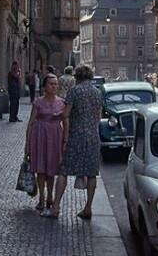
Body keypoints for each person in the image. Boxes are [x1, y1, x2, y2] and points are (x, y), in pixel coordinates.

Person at [48, 65, 103, 220]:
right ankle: (88, 208)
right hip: (93, 137)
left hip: (76, 136)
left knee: (64, 170)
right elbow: (98, 117)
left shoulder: (74, 91)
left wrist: (56, 117)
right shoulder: (98, 93)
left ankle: (56, 207)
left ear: (77, 77)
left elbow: (66, 114)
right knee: (92, 173)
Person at [24, 74, 65, 216]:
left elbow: (66, 122)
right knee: (40, 168)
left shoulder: (61, 102)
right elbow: (30, 123)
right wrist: (27, 144)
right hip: (40, 135)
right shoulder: (38, 102)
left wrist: (65, 141)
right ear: (44, 86)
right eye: (51, 84)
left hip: (55, 136)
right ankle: (41, 196)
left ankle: (50, 196)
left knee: (52, 167)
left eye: (56, 84)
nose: (54, 86)